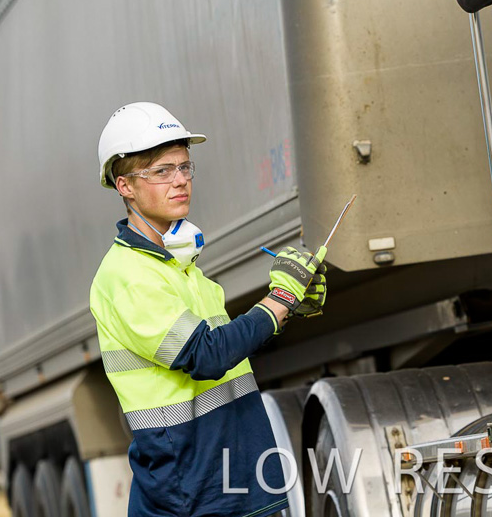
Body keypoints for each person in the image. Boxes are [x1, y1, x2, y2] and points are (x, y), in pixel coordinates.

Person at [89, 102, 327, 517]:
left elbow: (230, 354)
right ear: (124, 185)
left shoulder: (184, 270)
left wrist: (288, 309)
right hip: (192, 492)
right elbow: (206, 355)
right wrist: (280, 299)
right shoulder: (127, 275)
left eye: (184, 167)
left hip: (232, 476)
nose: (180, 180)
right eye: (162, 171)